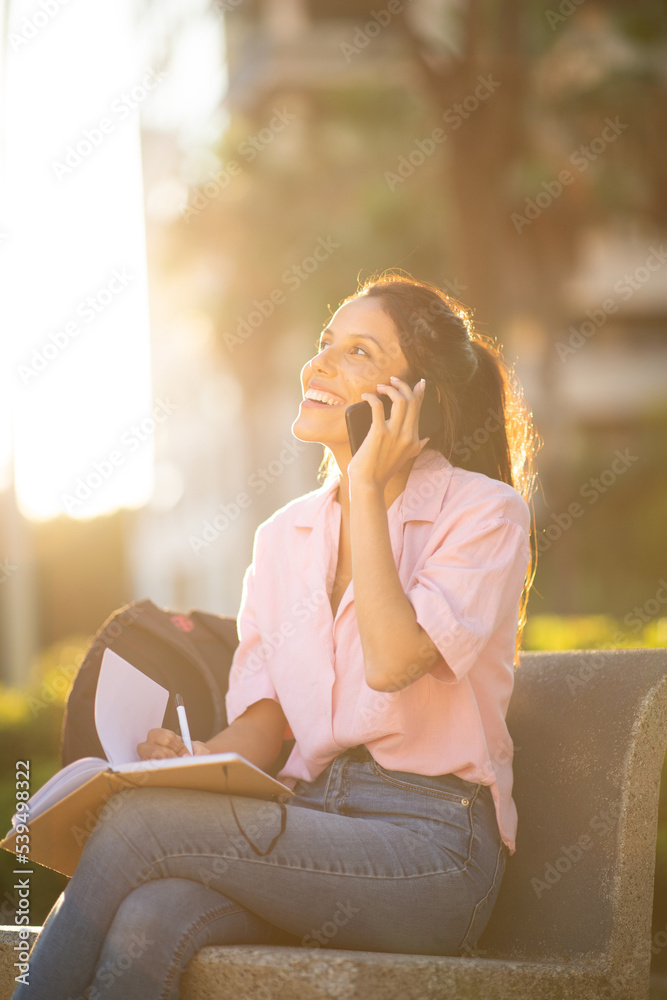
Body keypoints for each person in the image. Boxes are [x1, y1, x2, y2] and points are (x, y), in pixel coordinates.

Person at [13, 271, 539, 1000]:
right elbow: (267, 723)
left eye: (358, 352)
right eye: (325, 343)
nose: (318, 364)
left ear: (414, 399)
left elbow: (392, 661)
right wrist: (189, 762)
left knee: (139, 830)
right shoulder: (282, 537)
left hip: (431, 849)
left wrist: (362, 486)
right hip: (312, 824)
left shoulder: (484, 514)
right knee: (151, 914)